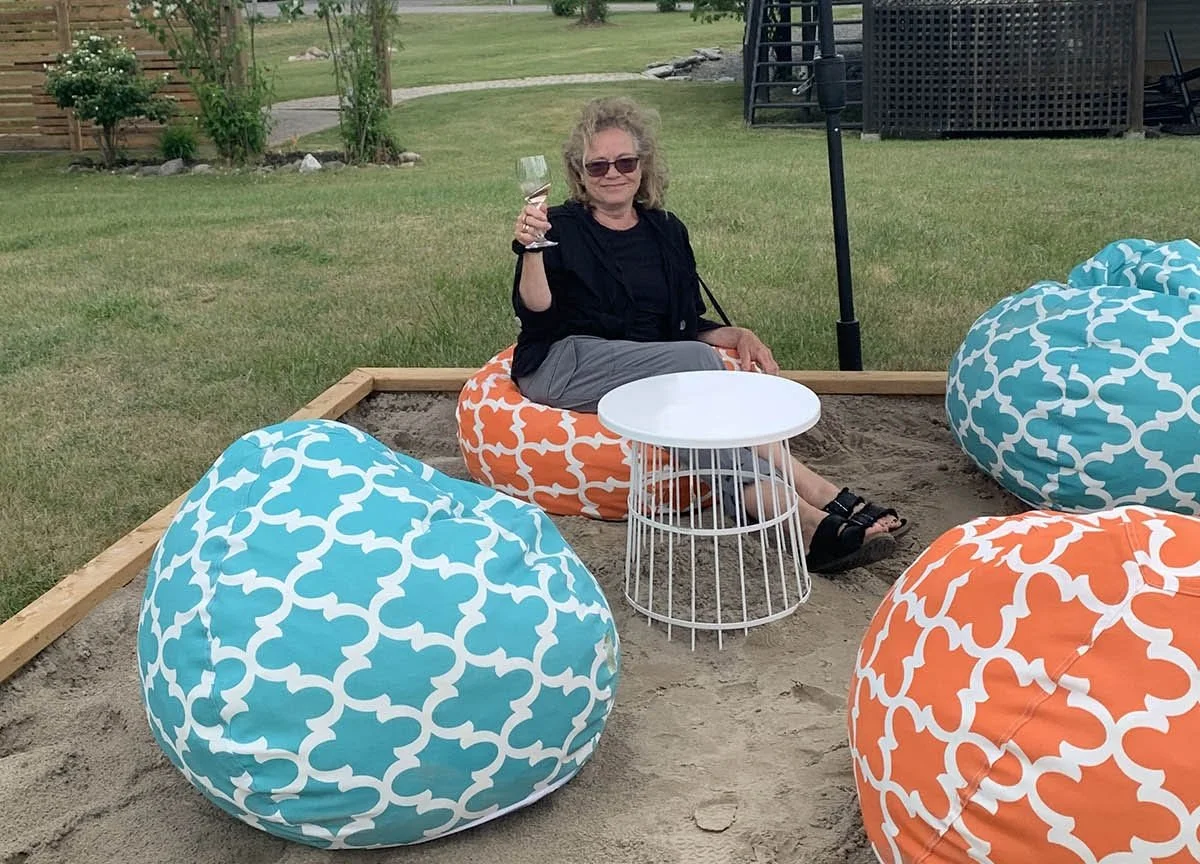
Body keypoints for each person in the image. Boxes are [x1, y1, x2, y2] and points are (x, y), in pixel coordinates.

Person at [508, 96, 908, 574]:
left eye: (626, 161)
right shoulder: (562, 227)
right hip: (563, 364)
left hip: (643, 370)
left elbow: (684, 326)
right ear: (580, 173)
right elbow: (536, 313)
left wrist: (739, 334)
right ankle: (814, 497)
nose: (613, 173)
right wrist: (532, 248)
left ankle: (769, 502)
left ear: (644, 166)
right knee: (697, 369)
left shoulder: (666, 230)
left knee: (696, 381)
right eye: (598, 166)